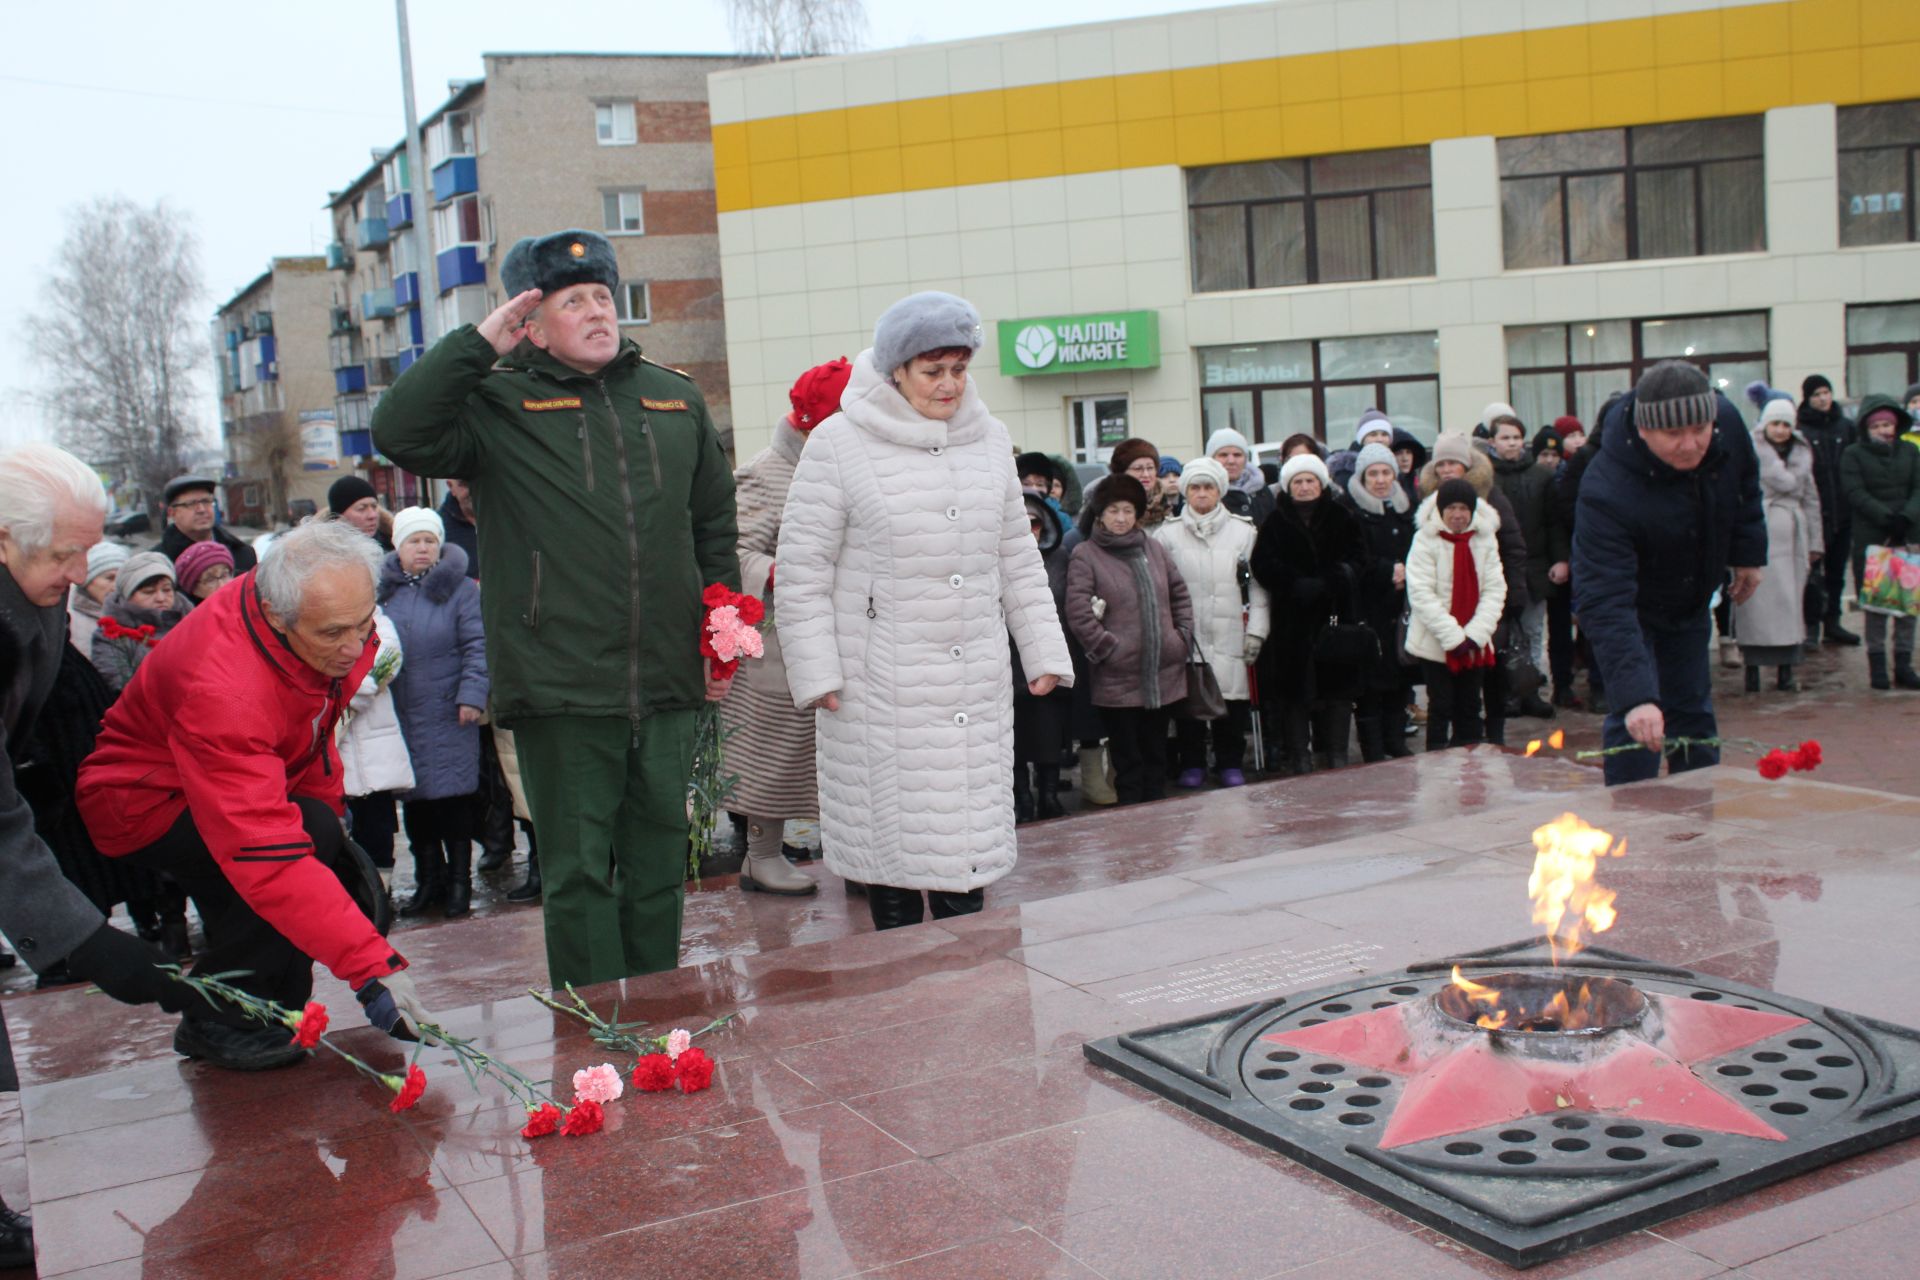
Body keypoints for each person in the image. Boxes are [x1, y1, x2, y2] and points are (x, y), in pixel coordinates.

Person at [372, 228, 739, 988]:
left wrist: (721, 638)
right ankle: (599, 1022)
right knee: (576, 871)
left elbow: (713, 526)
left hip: (668, 676)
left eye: (603, 296)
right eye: (574, 302)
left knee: (660, 859)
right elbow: (398, 430)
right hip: (561, 682)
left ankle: (656, 1008)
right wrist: (481, 344)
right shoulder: (498, 405)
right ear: (531, 324)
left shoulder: (673, 397)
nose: (599, 312)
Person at [79, 520, 435, 1068]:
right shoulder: (226, 688)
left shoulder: (316, 621)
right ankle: (218, 1021)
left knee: (312, 838)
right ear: (276, 614)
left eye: (364, 625)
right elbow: (265, 854)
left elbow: (311, 739)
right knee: (286, 858)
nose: (353, 647)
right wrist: (371, 968)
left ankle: (265, 1013)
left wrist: (333, 835)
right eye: (334, 633)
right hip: (144, 800)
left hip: (218, 785)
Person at [777, 291, 1070, 929]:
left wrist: (1043, 650)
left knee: (967, 847)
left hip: (974, 677)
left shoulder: (989, 439)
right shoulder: (838, 442)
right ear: (896, 371)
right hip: (880, 682)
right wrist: (818, 672)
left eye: (959, 369)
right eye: (932, 371)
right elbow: (803, 569)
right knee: (895, 853)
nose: (949, 385)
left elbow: (1016, 555)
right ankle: (900, 979)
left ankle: (975, 984)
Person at [2, 444, 191, 1265]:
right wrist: (81, 937)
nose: (84, 573)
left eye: (88, 550)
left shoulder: (35, 597)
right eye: (62, 555)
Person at [1572, 361, 1766, 786]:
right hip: (1634, 604)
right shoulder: (1606, 488)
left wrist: (1748, 554)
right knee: (1639, 722)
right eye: (1673, 435)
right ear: (1643, 429)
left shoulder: (1726, 423)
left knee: (1692, 710)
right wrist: (1636, 697)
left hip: (1692, 594)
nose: (1690, 444)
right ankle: (1633, 822)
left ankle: (1696, 818)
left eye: (1699, 429)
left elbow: (1745, 485)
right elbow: (1603, 597)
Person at [721, 359, 851, 895]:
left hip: (839, 635)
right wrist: (783, 571)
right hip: (776, 643)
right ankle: (762, 856)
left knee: (846, 755)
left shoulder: (842, 466)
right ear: (810, 422)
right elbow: (734, 550)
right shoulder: (765, 472)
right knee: (771, 754)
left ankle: (855, 855)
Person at [378, 507, 489, 917]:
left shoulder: (460, 590)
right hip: (403, 714)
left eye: (429, 540)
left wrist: (472, 695)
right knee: (416, 805)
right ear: (398, 546)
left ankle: (460, 882)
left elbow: (477, 646)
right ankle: (430, 881)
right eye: (413, 541)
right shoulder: (384, 593)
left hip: (449, 711)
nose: (422, 548)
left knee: (454, 801)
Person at [1066, 474, 1192, 804]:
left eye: (1127, 510)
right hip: (1118, 677)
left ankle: (1159, 829)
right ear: (1099, 515)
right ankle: (1132, 831)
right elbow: (1078, 612)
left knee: (1157, 757)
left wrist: (1182, 638)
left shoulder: (1154, 548)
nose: (1120, 518)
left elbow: (1179, 594)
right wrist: (1108, 648)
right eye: (1112, 511)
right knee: (1128, 762)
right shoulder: (1086, 554)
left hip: (1163, 672)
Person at [1250, 452, 1371, 773]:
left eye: (1310, 480)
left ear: (1321, 483)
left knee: (1338, 692)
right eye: (1298, 482)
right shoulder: (1275, 521)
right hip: (1292, 622)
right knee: (1294, 693)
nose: (1304, 487)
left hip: (1335, 616)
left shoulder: (1342, 516)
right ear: (1288, 487)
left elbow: (1359, 559)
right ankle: (1300, 758)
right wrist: (1293, 583)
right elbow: (1262, 563)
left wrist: (1331, 581)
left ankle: (1337, 755)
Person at [1154, 457, 1267, 787]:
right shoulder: (1167, 535)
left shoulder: (1244, 533)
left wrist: (1257, 632)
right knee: (1190, 706)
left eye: (1208, 487)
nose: (1201, 493)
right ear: (1185, 492)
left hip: (1232, 630)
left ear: (1220, 491)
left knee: (1231, 703)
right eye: (1195, 487)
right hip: (1188, 634)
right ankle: (1194, 764)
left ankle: (1230, 762)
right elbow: (1160, 590)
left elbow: (1258, 588)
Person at [1419, 433, 1530, 746]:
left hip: (1483, 620)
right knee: (1441, 704)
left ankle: (1488, 747)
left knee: (1480, 696)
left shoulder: (1490, 505)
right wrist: (1454, 635)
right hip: (1440, 627)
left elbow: (1509, 555)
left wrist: (1481, 628)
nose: (1448, 469)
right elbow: (1422, 588)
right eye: (1442, 463)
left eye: (1454, 462)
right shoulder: (1427, 518)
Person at [1405, 478, 1506, 749]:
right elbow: (1421, 594)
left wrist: (1475, 634)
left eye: (1464, 508)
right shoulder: (1425, 539)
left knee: (1470, 705)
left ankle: (1470, 765)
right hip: (1435, 640)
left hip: (1475, 641)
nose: (1458, 515)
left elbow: (1495, 589)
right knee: (1441, 706)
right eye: (1451, 508)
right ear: (1440, 510)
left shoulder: (1485, 539)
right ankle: (1437, 768)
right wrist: (1453, 637)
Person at [1733, 399, 1823, 693]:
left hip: (1793, 537)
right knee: (1754, 602)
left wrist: (1815, 541)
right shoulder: (1749, 453)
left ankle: (1786, 672)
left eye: (1786, 424)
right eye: (1776, 424)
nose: (1781, 430)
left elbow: (1811, 499)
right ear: (1765, 425)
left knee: (1790, 604)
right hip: (1760, 533)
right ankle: (1753, 672)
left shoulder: (1802, 455)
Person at [1338, 441, 1417, 759]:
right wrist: (1389, 570)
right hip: (1368, 607)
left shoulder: (1404, 508)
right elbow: (1352, 559)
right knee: (1371, 682)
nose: (1381, 480)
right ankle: (1373, 746)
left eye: (1386, 472)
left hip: (1401, 607)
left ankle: (1396, 739)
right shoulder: (1351, 512)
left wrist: (1408, 571)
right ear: (1363, 477)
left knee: (1400, 676)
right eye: (1374, 474)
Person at [1486, 406, 1566, 720]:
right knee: (1499, 634)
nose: (1511, 443)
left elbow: (1554, 523)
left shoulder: (1542, 476)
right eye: (1505, 437)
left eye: (1517, 437)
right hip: (1496, 568)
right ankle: (1504, 694)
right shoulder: (1484, 477)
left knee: (1533, 631)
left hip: (1534, 566)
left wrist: (1561, 560)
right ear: (1492, 441)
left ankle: (1530, 691)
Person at [1839, 394, 1920, 690]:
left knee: (1907, 604)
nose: (1885, 430)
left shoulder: (1911, 452)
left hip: (1909, 535)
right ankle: (1877, 666)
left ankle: (1904, 664)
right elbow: (1854, 491)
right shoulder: (1853, 454)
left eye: (1889, 424)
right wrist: (1886, 517)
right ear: (1866, 428)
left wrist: (1907, 517)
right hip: (1873, 537)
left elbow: (1918, 488)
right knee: (1876, 603)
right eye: (1878, 425)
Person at [337, 599, 411, 873]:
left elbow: (387, 658)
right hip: (338, 744)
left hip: (374, 740)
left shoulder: (376, 619)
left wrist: (349, 692)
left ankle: (381, 894)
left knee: (377, 825)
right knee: (341, 829)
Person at [1015, 487, 1077, 818]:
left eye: (1035, 523)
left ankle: (1049, 796)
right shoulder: (995, 560)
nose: (1029, 530)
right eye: (1021, 522)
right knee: (1015, 735)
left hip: (1050, 654)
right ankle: (1022, 797)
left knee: (1049, 732)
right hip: (1008, 661)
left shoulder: (1059, 557)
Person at [1797, 374, 1861, 646]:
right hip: (1814, 514)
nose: (1823, 398)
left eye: (1826, 392)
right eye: (1816, 394)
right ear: (1808, 399)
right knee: (1811, 574)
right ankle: (1810, 626)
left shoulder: (1845, 427)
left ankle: (1833, 622)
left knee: (1836, 573)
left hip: (1842, 512)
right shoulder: (1801, 430)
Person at [89, 551, 190, 693]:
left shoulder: (192, 621)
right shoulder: (111, 636)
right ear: (127, 595)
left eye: (167, 590)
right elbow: (120, 685)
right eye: (149, 592)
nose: (161, 598)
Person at [152, 474, 257, 573]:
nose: (201, 509)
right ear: (172, 513)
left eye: (206, 501)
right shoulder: (159, 563)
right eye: (191, 504)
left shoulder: (242, 554)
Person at [1205, 426, 1277, 524]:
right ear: (1211, 459)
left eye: (1237, 455)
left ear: (1245, 459)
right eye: (1223, 455)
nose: (1231, 461)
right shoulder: (1203, 491)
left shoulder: (1261, 490)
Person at [67, 539, 126, 656]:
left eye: (121, 579)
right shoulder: (69, 619)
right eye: (109, 578)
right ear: (87, 581)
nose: (116, 587)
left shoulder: (134, 611)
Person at [1327, 409, 1396, 492]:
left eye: (1384, 434)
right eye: (1373, 434)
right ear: (1362, 439)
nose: (1380, 439)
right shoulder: (1346, 472)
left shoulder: (1393, 466)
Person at [329, 476, 391, 551]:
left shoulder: (396, 549)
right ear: (339, 517)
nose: (372, 515)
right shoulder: (322, 555)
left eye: (374, 507)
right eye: (361, 509)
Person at [439, 478, 479, 579]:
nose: (474, 490)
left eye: (481, 482)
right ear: (451, 486)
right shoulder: (436, 531)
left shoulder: (513, 518)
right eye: (465, 484)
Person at [175, 539, 235, 604]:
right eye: (210, 579)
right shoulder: (189, 612)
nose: (222, 585)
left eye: (224, 575)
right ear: (193, 589)